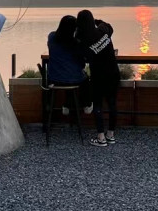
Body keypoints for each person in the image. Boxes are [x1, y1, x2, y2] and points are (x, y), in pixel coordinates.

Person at [76, 9, 120, 147]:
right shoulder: (103, 31)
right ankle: (111, 135)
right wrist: (96, 21)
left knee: (98, 104)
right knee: (112, 104)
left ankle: (101, 137)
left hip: (98, 76)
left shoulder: (83, 41)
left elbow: (82, 57)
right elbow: (109, 26)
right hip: (113, 72)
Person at [47, 15, 93, 115]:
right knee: (83, 78)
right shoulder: (76, 43)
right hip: (73, 80)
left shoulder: (51, 37)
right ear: (74, 29)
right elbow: (82, 63)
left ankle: (67, 105)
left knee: (67, 73)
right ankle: (87, 104)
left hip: (54, 80)